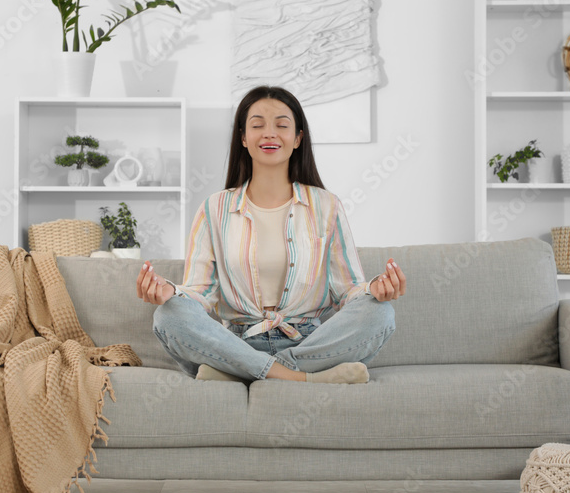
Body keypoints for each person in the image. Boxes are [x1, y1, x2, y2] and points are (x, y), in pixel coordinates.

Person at [134, 85, 404, 384]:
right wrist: (172, 294)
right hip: (238, 340)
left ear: (298, 138)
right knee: (168, 315)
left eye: (282, 125)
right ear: (243, 138)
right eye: (258, 124)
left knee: (380, 314)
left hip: (308, 342)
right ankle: (299, 378)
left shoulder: (327, 206)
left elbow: (348, 290)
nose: (270, 133)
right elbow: (201, 293)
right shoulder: (214, 208)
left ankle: (240, 371)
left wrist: (375, 290)